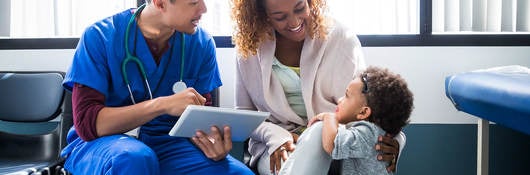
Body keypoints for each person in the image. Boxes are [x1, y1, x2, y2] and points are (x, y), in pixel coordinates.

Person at [60, 0, 253, 174]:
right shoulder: (100, 37)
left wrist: (211, 142)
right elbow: (87, 125)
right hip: (101, 144)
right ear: (160, 3)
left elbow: (199, 119)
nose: (204, 9)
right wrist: (161, 105)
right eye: (194, 2)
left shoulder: (201, 44)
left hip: (169, 144)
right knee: (134, 158)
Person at [231, 0, 404, 174]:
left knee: (322, 131)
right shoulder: (249, 48)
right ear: (262, 15)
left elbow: (367, 100)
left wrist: (395, 138)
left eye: (300, 8)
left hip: (338, 140)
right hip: (279, 144)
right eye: (280, 17)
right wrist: (276, 137)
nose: (294, 22)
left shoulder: (341, 37)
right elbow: (246, 116)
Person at [279, 66, 414, 175]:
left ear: (363, 112)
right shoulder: (379, 133)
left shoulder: (367, 133)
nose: (339, 100)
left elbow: (332, 144)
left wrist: (330, 117)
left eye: (346, 96)